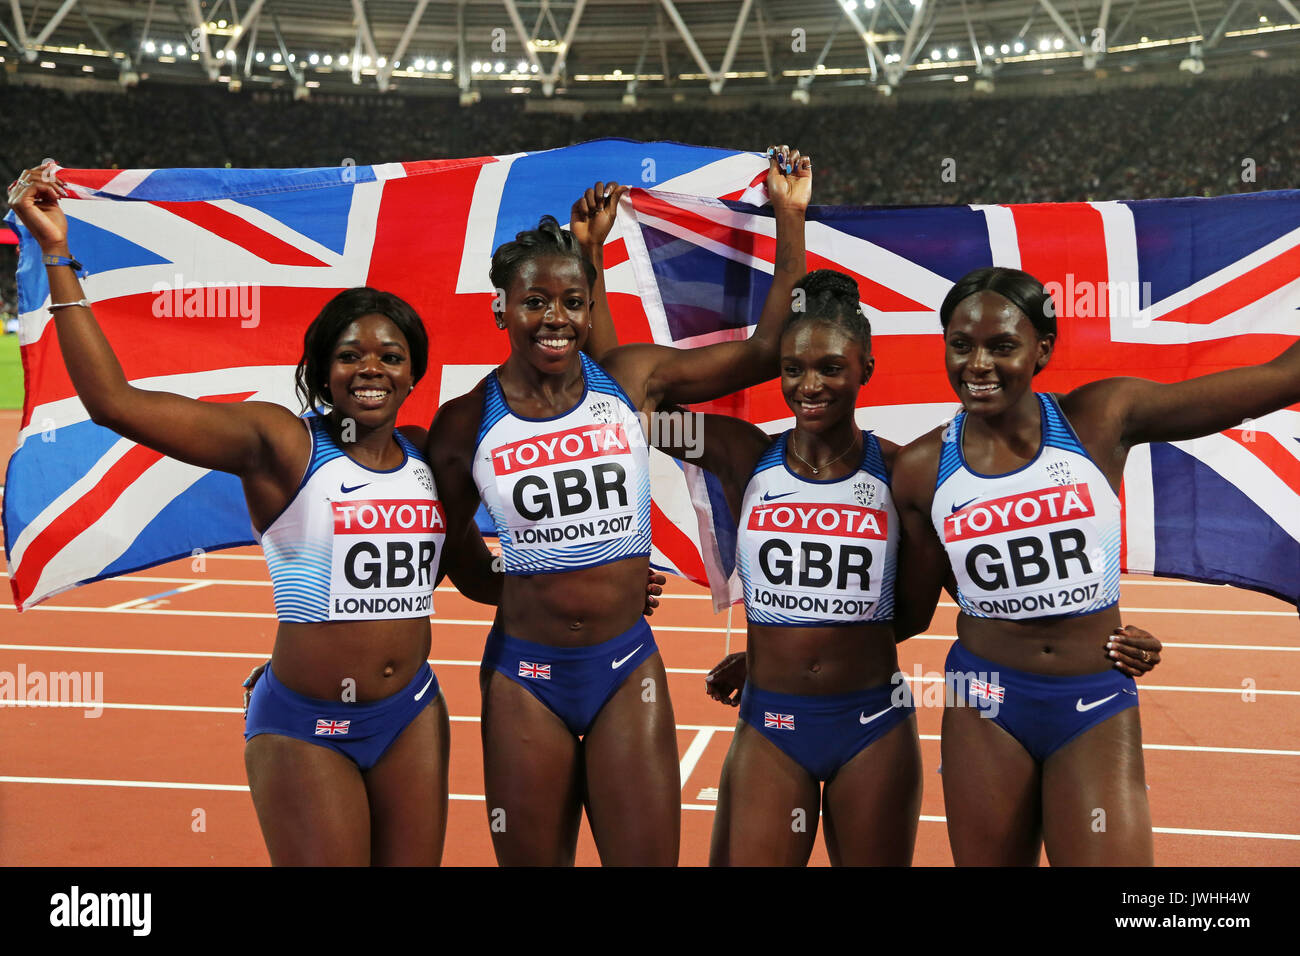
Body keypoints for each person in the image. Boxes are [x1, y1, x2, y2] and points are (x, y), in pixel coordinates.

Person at [9, 161, 502, 866]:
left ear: (414, 373)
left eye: (390, 356)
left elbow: (478, 578)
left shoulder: (430, 460)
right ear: (322, 370)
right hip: (305, 725)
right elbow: (114, 403)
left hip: (412, 715)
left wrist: (593, 591)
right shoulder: (280, 442)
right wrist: (57, 252)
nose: (370, 368)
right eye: (349, 355)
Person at [676, 270, 1165, 866]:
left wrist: (1087, 635)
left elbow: (936, 606)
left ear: (866, 370)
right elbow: (628, 402)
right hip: (771, 719)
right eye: (792, 368)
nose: (810, 385)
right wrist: (760, 338)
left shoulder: (907, 473)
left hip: (871, 724)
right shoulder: (742, 453)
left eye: (831, 367)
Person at [427, 147, 812, 865]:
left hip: (625, 668)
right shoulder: (464, 423)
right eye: (534, 301)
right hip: (525, 677)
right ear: (500, 306)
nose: (555, 318)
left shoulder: (630, 382)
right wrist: (534, 587)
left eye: (573, 302)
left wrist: (789, 215)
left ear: (591, 302)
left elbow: (766, 349)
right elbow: (457, 555)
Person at [889, 265, 1299, 865]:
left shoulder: (1102, 417)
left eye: (1002, 346)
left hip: (1094, 698)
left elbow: (1280, 380)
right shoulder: (923, 468)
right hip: (983, 702)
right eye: (961, 345)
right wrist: (777, 652)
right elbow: (908, 614)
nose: (978, 365)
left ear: (1043, 350)